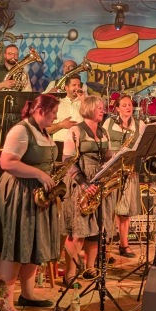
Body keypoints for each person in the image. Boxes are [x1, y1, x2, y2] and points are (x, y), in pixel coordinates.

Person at [0, 93, 65, 308]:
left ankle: (28, 293)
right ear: (41, 111)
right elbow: (7, 163)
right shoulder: (21, 131)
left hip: (37, 194)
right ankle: (4, 304)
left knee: (33, 243)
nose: (56, 117)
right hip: (21, 193)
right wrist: (39, 174)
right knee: (16, 246)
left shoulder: (42, 131)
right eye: (53, 113)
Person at [63, 95, 116, 280]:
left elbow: (109, 157)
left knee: (96, 230)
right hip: (80, 183)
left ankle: (90, 267)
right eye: (99, 107)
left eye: (102, 107)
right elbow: (67, 161)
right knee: (77, 231)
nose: (103, 110)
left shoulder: (104, 132)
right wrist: (84, 183)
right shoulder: (75, 131)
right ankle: (70, 272)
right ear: (89, 109)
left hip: (100, 183)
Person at [105, 94, 145, 258]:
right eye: (124, 105)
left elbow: (143, 147)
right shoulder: (109, 123)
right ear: (117, 109)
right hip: (112, 170)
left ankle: (124, 244)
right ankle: (105, 247)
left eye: (130, 104)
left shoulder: (140, 124)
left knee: (124, 210)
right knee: (108, 209)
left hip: (129, 170)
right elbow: (104, 144)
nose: (128, 107)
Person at [49, 75, 84, 147]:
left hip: (80, 144)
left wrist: (83, 100)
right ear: (66, 88)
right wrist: (61, 125)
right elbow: (46, 129)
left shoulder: (85, 103)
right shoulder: (57, 104)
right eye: (74, 85)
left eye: (79, 85)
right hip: (59, 143)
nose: (77, 88)